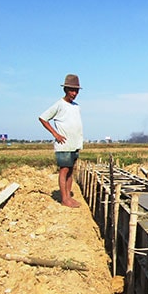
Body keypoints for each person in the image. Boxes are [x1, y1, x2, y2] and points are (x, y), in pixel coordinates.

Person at [39, 74, 84, 208]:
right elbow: (43, 118)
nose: (74, 93)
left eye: (76, 91)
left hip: (74, 144)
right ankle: (64, 199)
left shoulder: (76, 106)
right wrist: (55, 134)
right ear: (65, 90)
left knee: (70, 171)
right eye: (71, 90)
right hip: (64, 145)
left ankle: (68, 197)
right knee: (64, 170)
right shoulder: (59, 105)